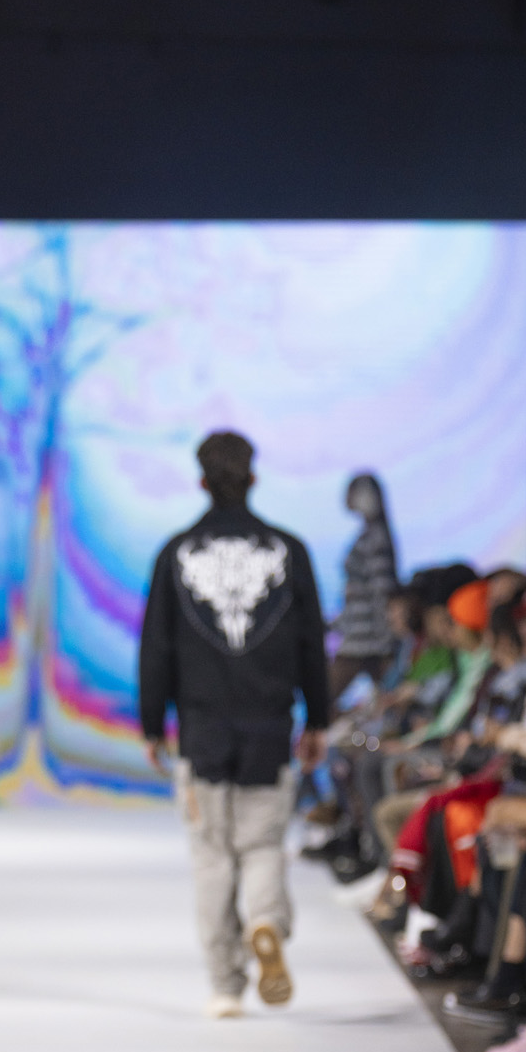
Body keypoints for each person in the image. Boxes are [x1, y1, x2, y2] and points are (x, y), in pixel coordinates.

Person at [139, 430, 329, 1015]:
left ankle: (225, 984)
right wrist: (318, 720)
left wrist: (153, 724)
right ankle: (265, 922)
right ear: (253, 479)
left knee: (212, 856)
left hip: (203, 731)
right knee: (263, 843)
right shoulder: (289, 552)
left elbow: (157, 647)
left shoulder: (176, 554)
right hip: (268, 728)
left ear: (201, 481)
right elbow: (310, 643)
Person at [327, 472, 398, 702]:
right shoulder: (371, 535)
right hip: (363, 636)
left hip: (367, 639)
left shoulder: (375, 537)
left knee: (324, 698)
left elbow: (382, 590)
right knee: (389, 697)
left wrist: (387, 638)